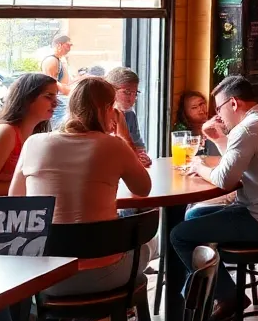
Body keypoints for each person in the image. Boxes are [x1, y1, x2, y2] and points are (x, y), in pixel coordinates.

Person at [171, 75, 258, 321]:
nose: (217, 116)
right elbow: (236, 162)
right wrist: (219, 138)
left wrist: (198, 166)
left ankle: (225, 296)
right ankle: (201, 292)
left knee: (179, 235)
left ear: (233, 103)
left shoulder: (247, 129)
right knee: (193, 215)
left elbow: (224, 180)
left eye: (218, 108)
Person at [10, 77, 152, 294]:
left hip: (43, 279)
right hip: (104, 273)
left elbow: (16, 200)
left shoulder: (33, 143)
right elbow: (142, 189)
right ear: (107, 109)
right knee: (147, 246)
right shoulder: (113, 145)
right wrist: (122, 135)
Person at [0, 73, 57, 196]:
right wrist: (32, 185)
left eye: (56, 97)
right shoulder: (5, 133)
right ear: (27, 98)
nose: (55, 103)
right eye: (48, 96)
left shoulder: (34, 135)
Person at [106, 67, 151, 167]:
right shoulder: (100, 116)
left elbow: (138, 145)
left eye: (135, 93)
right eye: (127, 92)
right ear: (111, 90)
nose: (132, 98)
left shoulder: (130, 114)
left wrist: (142, 157)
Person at [174, 90, 218, 156]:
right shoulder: (182, 131)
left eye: (202, 104)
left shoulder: (215, 123)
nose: (201, 109)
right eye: (194, 108)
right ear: (185, 112)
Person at [42, 34, 72, 128]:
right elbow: (52, 83)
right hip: (58, 104)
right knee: (59, 130)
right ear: (59, 45)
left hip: (62, 102)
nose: (69, 48)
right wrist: (69, 91)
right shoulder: (51, 60)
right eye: (68, 45)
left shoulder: (60, 60)